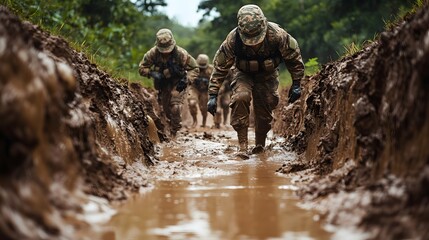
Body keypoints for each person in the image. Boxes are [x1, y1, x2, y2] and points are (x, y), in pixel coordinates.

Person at [207, 4, 304, 158]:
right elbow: (220, 68)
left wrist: (297, 83)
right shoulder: (233, 39)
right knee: (240, 97)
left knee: (264, 113)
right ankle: (243, 146)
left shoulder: (277, 35)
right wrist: (213, 95)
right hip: (242, 73)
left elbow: (294, 58)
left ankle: (260, 146)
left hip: (268, 74)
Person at [139, 28, 199, 137]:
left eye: (168, 49)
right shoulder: (152, 53)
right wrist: (151, 73)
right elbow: (142, 68)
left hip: (178, 83)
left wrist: (187, 80)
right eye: (163, 50)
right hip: (163, 84)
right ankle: (171, 125)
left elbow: (194, 68)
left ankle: (174, 132)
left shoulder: (181, 54)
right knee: (167, 110)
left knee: (175, 107)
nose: (166, 52)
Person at [187, 54, 213, 128]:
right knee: (192, 103)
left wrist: (208, 81)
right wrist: (194, 79)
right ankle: (194, 121)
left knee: (204, 108)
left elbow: (216, 80)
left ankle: (204, 122)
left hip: (205, 90)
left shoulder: (211, 69)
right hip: (194, 88)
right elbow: (188, 78)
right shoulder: (193, 68)